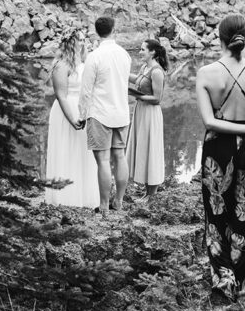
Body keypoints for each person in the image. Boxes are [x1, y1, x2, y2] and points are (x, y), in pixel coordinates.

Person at [195, 14, 245, 300]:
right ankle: (243, 282)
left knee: (217, 214)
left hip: (217, 150)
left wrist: (238, 128)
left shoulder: (205, 73)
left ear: (219, 38)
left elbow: (209, 122)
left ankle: (223, 278)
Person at [78, 16, 132, 214]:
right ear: (114, 29)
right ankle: (119, 201)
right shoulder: (125, 55)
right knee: (120, 156)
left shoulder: (95, 56)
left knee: (102, 160)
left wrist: (82, 115)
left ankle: (103, 205)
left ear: (96, 32)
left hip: (100, 113)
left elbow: (85, 91)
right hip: (121, 113)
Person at [44, 29, 100, 208]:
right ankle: (65, 198)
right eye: (79, 40)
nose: (83, 43)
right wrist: (72, 118)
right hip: (65, 111)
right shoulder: (61, 65)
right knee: (66, 151)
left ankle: (84, 196)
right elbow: (60, 95)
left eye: (84, 40)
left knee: (83, 154)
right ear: (70, 43)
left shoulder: (83, 62)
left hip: (84, 109)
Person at [126, 38, 168, 201]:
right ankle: (146, 191)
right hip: (141, 111)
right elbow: (137, 80)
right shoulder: (145, 67)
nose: (140, 52)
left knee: (151, 148)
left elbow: (158, 99)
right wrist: (120, 73)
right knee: (142, 147)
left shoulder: (157, 72)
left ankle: (152, 194)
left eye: (143, 49)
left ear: (152, 52)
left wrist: (136, 95)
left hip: (151, 113)